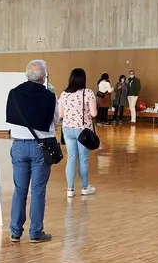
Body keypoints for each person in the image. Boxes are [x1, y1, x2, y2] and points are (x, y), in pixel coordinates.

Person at [6, 60, 57, 243]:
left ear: (27, 74)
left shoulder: (13, 93)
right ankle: (35, 233)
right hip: (40, 147)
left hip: (18, 145)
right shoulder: (50, 96)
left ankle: (15, 231)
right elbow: (55, 121)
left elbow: (11, 119)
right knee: (38, 190)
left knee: (20, 189)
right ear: (43, 77)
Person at [59, 68, 98, 198]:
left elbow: (60, 115)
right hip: (83, 131)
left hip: (67, 129)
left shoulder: (64, 94)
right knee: (83, 159)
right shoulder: (88, 93)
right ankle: (85, 187)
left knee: (71, 158)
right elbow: (94, 113)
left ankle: (70, 189)